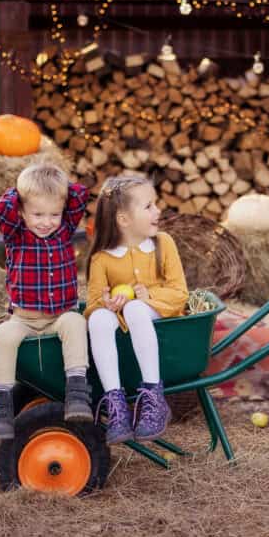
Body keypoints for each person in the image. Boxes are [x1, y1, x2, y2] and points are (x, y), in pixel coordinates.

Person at [0, 164, 93, 439]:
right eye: (37, 214)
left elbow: (80, 195)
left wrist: (58, 188)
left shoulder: (64, 230)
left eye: (54, 214)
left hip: (60, 315)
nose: (46, 221)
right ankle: (1, 405)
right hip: (24, 319)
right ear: (22, 211)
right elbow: (3, 209)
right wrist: (21, 192)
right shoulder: (16, 235)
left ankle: (77, 392)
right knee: (3, 336)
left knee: (75, 322)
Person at [84, 175, 189, 444]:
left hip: (159, 311)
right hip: (122, 317)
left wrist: (148, 295)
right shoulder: (102, 258)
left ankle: (154, 395)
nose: (158, 211)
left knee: (136, 310)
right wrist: (107, 303)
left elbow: (179, 292)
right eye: (148, 206)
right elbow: (93, 302)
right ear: (123, 219)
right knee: (97, 319)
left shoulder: (162, 243)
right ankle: (116, 403)